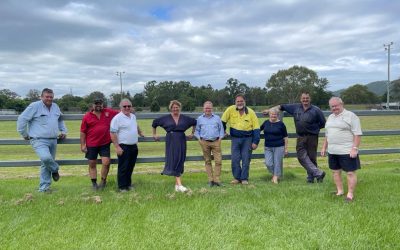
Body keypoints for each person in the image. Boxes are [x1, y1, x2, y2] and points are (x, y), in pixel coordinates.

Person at [263, 92, 326, 183]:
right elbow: (281, 107)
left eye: (307, 98)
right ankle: (318, 173)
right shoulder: (295, 107)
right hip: (300, 136)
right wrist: (270, 110)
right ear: (300, 99)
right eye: (303, 98)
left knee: (311, 157)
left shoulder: (316, 110)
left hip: (312, 136)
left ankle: (311, 178)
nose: (305, 100)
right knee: (301, 156)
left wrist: (313, 129)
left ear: (310, 99)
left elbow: (323, 123)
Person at [17, 88, 67, 192]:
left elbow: (60, 119)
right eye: (47, 97)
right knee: (46, 158)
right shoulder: (34, 106)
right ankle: (55, 169)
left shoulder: (56, 107)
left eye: (51, 97)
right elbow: (22, 119)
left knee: (45, 164)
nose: (49, 99)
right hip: (38, 139)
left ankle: (44, 188)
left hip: (53, 140)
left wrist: (63, 131)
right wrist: (24, 134)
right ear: (41, 97)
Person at [321, 97, 362, 202]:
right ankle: (339, 191)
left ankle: (350, 194)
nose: (334, 108)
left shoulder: (351, 116)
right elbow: (327, 134)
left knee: (350, 173)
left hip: (347, 150)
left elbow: (357, 134)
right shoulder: (330, 117)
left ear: (341, 104)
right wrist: (324, 147)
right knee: (335, 171)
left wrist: (355, 148)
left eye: (336, 105)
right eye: (332, 106)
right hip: (332, 151)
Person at [152, 100, 196, 192]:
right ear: (171, 108)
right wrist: (154, 134)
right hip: (171, 139)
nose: (175, 109)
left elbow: (194, 122)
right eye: (173, 107)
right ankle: (180, 184)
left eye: (177, 107)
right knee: (174, 159)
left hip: (181, 139)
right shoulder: (166, 118)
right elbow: (155, 123)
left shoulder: (185, 118)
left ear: (179, 108)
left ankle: (177, 186)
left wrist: (192, 133)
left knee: (180, 159)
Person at [80, 98, 119, 190]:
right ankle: (94, 183)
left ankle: (103, 181)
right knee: (92, 163)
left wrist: (130, 109)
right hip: (91, 144)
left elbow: (120, 113)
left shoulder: (108, 112)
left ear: (102, 104)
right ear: (92, 105)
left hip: (104, 143)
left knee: (106, 162)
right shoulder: (87, 116)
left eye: (100, 103)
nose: (98, 105)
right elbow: (83, 132)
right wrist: (82, 145)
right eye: (96, 103)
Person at [221, 94, 260, 185]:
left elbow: (256, 128)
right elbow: (222, 122)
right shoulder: (230, 110)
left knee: (246, 159)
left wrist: (255, 142)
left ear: (244, 102)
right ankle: (237, 178)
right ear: (235, 102)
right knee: (235, 159)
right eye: (238, 101)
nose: (239, 103)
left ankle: (244, 179)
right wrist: (223, 131)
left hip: (247, 139)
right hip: (235, 139)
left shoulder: (251, 112)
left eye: (241, 101)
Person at [110, 99, 144, 192]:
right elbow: (112, 133)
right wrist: (117, 147)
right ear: (121, 107)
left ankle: (128, 185)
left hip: (133, 146)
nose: (127, 108)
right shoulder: (117, 118)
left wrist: (140, 132)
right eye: (125, 106)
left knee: (130, 166)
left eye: (129, 106)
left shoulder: (133, 116)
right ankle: (122, 187)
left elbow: (135, 126)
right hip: (123, 146)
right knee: (123, 167)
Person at [194, 101, 225, 187]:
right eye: (206, 108)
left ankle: (217, 180)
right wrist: (199, 139)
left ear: (212, 109)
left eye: (209, 108)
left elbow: (221, 129)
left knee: (218, 161)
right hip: (204, 142)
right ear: (203, 109)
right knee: (207, 161)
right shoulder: (199, 119)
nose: (208, 109)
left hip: (216, 142)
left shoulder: (217, 118)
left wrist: (220, 138)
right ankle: (210, 180)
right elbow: (197, 131)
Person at [260, 108, 288, 184]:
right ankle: (276, 175)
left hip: (279, 146)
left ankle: (275, 178)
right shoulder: (266, 122)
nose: (273, 116)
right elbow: (258, 130)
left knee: (277, 162)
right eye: (272, 114)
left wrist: (286, 148)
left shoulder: (281, 124)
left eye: (275, 114)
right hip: (268, 147)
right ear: (269, 115)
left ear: (277, 115)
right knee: (268, 163)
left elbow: (285, 137)